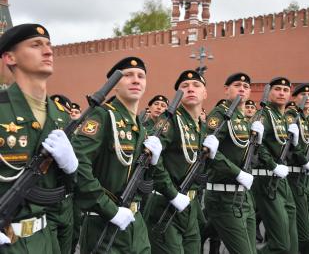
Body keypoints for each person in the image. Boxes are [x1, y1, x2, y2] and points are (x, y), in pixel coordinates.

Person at [0, 23, 78, 253]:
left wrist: (72, 168)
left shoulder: (61, 117)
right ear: (9, 58)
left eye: (48, 45)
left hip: (46, 239)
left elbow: (68, 190)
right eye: (36, 45)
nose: (48, 51)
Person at [71, 57, 161, 253]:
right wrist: (110, 210)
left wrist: (153, 163)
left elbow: (141, 181)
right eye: (128, 75)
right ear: (114, 84)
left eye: (141, 76)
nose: (136, 80)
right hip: (103, 225)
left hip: (136, 225)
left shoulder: (141, 127)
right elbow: (78, 166)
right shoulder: (102, 116)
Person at [146, 69, 218, 253]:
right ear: (178, 94)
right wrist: (172, 193)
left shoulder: (201, 125)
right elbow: (152, 158)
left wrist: (210, 158)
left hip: (190, 206)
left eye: (196, 85)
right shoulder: (170, 120)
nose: (190, 89)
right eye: (184, 86)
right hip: (166, 204)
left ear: (205, 93)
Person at [205, 73, 264, 254]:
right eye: (237, 85)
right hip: (223, 195)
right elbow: (210, 152)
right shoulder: (220, 114)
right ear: (226, 90)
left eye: (246, 87)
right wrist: (237, 173)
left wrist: (258, 140)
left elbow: (248, 155)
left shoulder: (242, 118)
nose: (242, 89)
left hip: (243, 196)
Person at [252, 77, 299, 254]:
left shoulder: (284, 117)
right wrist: (272, 165)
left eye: (285, 90)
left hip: (281, 179)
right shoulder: (263, 115)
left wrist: (295, 142)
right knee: (281, 244)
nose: (281, 93)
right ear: (269, 92)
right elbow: (257, 144)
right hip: (266, 178)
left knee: (292, 240)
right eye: (277, 89)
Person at [288, 84, 309, 254]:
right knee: (304, 234)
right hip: (294, 175)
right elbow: (293, 147)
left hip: (307, 177)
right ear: (295, 98)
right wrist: (303, 160)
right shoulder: (291, 116)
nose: (307, 97)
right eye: (302, 94)